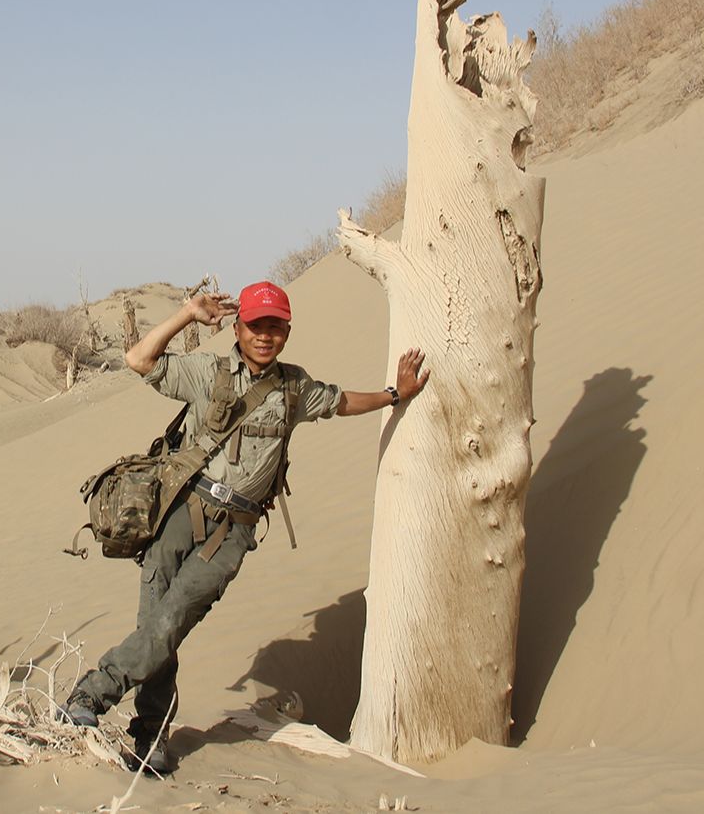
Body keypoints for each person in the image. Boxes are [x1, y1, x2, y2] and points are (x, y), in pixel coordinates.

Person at [62, 280, 430, 773]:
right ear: (238, 328)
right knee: (155, 629)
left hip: (231, 532)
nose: (265, 335)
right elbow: (139, 360)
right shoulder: (208, 371)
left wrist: (393, 395)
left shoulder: (294, 389)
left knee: (170, 622)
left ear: (286, 332)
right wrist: (188, 315)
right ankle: (150, 740)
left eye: (275, 326)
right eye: (256, 325)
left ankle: (92, 694)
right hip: (179, 512)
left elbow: (340, 402)